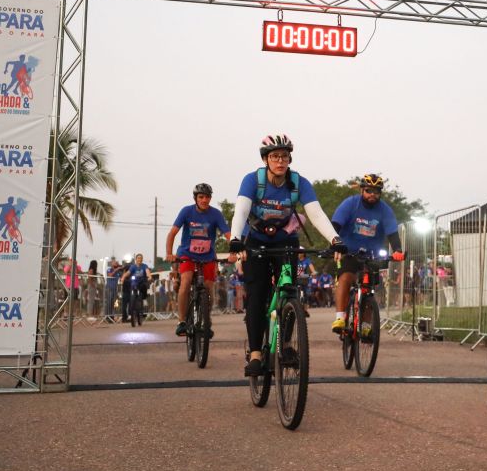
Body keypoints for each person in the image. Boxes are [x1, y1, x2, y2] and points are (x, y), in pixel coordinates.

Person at [227, 134, 341, 377]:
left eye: (285, 157)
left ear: (290, 159)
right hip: (256, 241)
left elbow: (316, 214)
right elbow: (241, 211)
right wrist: (235, 239)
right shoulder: (252, 180)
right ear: (265, 159)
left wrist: (335, 240)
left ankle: (286, 344)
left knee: (289, 290)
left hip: (285, 241)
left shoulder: (299, 183)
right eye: (275, 156)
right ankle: (256, 354)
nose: (280, 161)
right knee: (256, 295)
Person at [329, 173, 404, 333]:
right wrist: (334, 244)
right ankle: (340, 317)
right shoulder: (351, 203)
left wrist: (398, 250)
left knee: (369, 289)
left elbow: (392, 233)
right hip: (349, 251)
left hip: (372, 255)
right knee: (345, 278)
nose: (372, 195)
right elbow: (335, 225)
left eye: (376, 192)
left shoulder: (384, 209)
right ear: (362, 190)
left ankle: (365, 325)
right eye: (369, 191)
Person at [165, 183, 230, 336]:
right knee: (186, 282)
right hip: (187, 254)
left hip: (207, 256)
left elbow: (228, 234)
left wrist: (234, 250)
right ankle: (182, 321)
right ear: (195, 198)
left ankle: (206, 320)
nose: (204, 200)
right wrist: (169, 253)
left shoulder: (216, 214)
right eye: (201, 197)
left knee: (209, 289)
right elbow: (172, 233)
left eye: (207, 197)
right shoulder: (187, 211)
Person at [121, 253, 151, 325]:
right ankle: (133, 308)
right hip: (134, 283)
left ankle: (143, 300)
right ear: (136, 259)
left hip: (142, 283)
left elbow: (147, 272)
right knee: (132, 296)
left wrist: (149, 277)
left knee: (143, 291)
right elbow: (128, 273)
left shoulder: (144, 266)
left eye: (140, 258)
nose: (139, 259)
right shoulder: (133, 267)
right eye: (138, 258)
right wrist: (123, 278)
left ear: (142, 259)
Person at [104, 258, 122, 322]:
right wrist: (116, 269)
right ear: (112, 264)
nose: (116, 264)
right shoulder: (109, 269)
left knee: (114, 303)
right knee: (109, 302)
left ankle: (112, 316)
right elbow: (110, 275)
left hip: (115, 289)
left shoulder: (118, 272)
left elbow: (122, 276)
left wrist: (121, 268)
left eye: (117, 263)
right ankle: (107, 316)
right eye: (115, 263)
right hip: (109, 288)